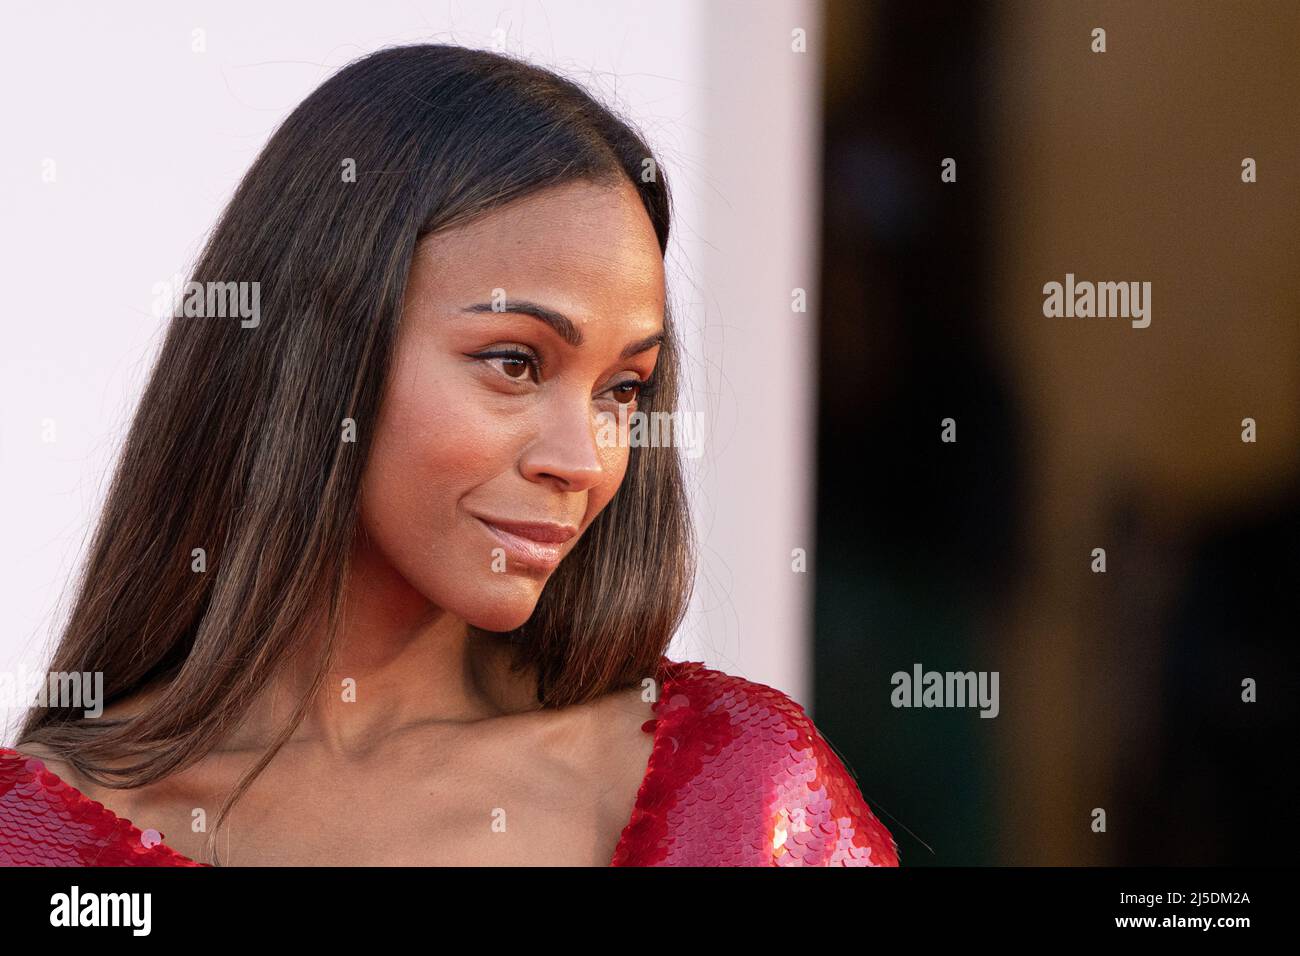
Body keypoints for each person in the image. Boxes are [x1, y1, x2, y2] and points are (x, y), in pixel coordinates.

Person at [0, 43, 898, 867]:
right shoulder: (39, 834)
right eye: (515, 363)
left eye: (622, 390)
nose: (582, 461)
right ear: (321, 351)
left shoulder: (738, 797)